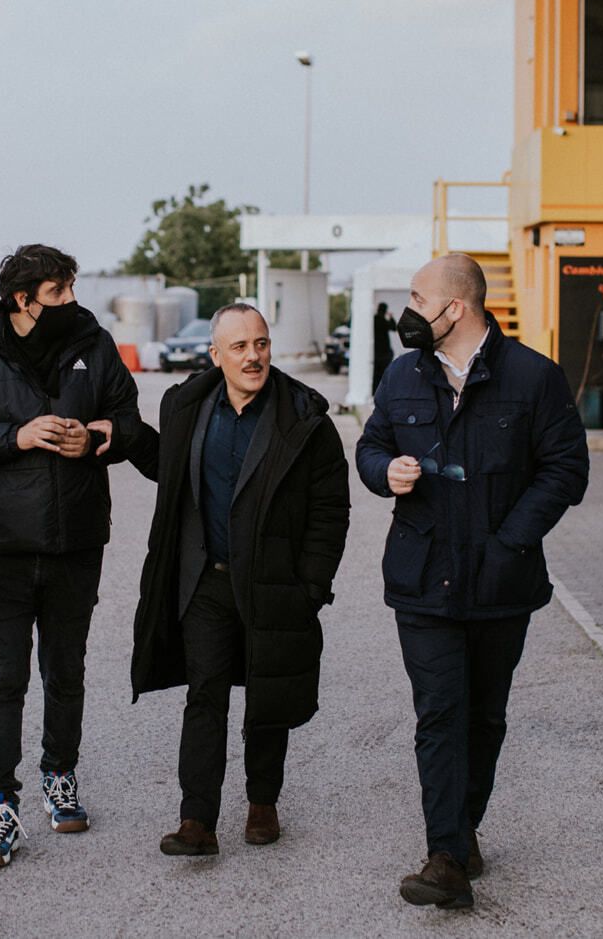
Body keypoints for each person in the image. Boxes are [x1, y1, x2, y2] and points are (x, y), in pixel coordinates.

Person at [356, 253, 588, 910]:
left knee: (483, 715)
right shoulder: (402, 373)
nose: (409, 307)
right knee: (439, 712)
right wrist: (385, 470)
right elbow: (369, 445)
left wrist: (510, 539)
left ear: (454, 307)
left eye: (418, 296)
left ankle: (462, 830)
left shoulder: (533, 377)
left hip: (500, 580)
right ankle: (446, 856)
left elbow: (567, 469)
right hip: (422, 574)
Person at [0, 244, 146, 868]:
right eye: (57, 292)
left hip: (76, 541)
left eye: (72, 287)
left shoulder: (93, 344)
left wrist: (98, 437)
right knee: (3, 681)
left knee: (66, 671)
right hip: (0, 546)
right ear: (22, 300)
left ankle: (60, 776)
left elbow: (128, 422)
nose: (71, 300)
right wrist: (16, 436)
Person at [130, 303, 349, 856]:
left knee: (267, 697)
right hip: (206, 580)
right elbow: (170, 470)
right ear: (216, 355)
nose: (253, 356)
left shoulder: (305, 420)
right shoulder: (187, 406)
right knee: (205, 694)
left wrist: (311, 589)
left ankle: (262, 804)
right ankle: (196, 820)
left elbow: (330, 511)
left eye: (261, 343)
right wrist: (124, 436)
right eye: (239, 347)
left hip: (274, 584)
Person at [372, 301, 396, 392]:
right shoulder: (382, 320)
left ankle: (375, 390)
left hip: (377, 350)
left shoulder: (375, 319)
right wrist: (391, 317)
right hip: (384, 351)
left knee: (376, 373)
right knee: (383, 372)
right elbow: (394, 328)